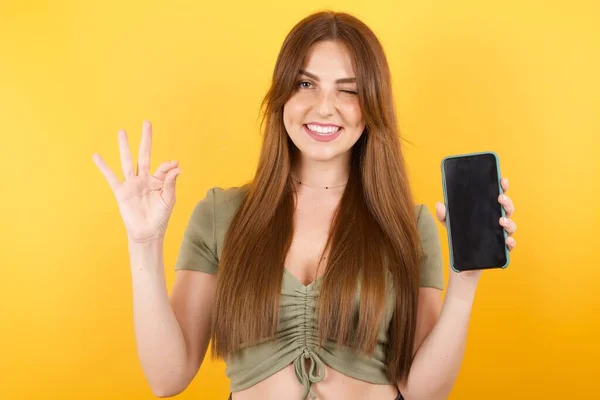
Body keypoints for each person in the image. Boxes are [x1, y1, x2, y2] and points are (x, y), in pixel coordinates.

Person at [92, 10, 518, 400]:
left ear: (371, 108)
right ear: (281, 96)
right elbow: (167, 377)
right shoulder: (221, 215)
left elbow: (424, 391)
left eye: (348, 91)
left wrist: (465, 285)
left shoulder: (408, 224)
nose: (324, 107)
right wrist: (143, 243)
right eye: (305, 84)